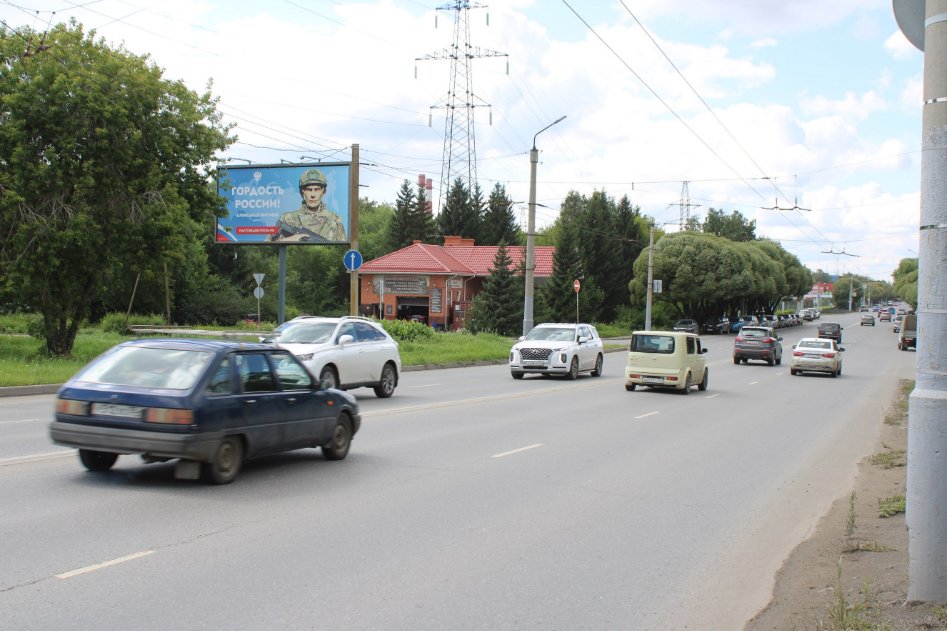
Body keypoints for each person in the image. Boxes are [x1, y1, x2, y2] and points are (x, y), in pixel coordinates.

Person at [268, 169, 347, 242]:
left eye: (316, 190)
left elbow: (341, 250)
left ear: (323, 192)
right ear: (302, 193)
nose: (313, 195)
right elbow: (267, 248)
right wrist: (289, 240)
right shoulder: (287, 218)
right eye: (309, 190)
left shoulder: (334, 220)